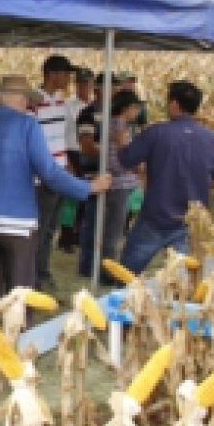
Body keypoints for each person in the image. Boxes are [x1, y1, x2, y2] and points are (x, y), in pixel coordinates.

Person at [0, 75, 112, 351]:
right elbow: (49, 173)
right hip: (18, 223)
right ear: (22, 100)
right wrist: (89, 187)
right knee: (21, 290)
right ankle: (18, 350)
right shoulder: (27, 125)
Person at [118, 80, 214, 275]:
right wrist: (199, 179)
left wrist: (120, 139)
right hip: (192, 223)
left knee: (125, 276)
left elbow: (127, 159)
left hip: (155, 218)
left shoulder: (155, 133)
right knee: (184, 282)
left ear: (174, 104)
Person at [77, 89, 141, 283]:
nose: (137, 112)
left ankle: (88, 265)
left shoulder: (107, 124)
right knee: (113, 232)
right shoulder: (120, 129)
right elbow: (121, 158)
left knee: (95, 226)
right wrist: (138, 167)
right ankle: (107, 273)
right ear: (127, 108)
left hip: (109, 181)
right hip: (120, 183)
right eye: (136, 108)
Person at [33, 54, 75, 289]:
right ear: (52, 74)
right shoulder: (33, 103)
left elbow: (62, 138)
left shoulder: (61, 102)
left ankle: (43, 270)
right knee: (41, 228)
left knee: (51, 228)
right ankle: (36, 275)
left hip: (59, 173)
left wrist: (67, 161)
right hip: (43, 176)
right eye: (66, 73)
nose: (69, 78)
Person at [59, 67, 94, 253]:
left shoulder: (96, 105)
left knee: (86, 197)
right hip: (72, 152)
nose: (84, 87)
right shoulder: (68, 106)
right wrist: (67, 160)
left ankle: (79, 233)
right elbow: (62, 134)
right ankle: (66, 237)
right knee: (71, 199)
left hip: (88, 154)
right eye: (81, 83)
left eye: (87, 83)